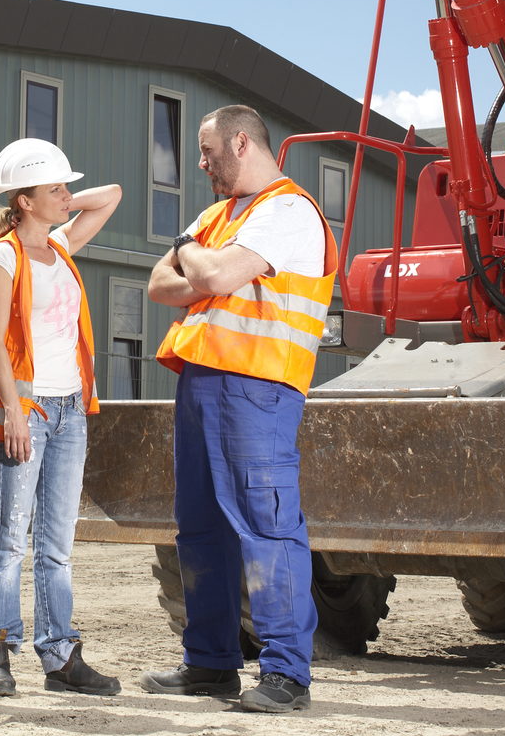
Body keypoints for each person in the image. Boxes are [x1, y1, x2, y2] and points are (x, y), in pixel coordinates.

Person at [137, 104, 339, 714]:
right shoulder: (219, 216)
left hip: (258, 388)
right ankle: (211, 663)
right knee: (200, 529)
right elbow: (157, 284)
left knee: (266, 524)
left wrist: (190, 252)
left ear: (241, 142)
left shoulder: (288, 210)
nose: (200, 164)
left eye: (207, 152)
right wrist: (199, 261)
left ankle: (286, 674)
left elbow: (214, 272)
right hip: (202, 382)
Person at [0, 139, 124, 697]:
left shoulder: (60, 246)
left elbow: (112, 197)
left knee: (58, 543)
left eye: (65, 187)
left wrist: (61, 198)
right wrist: (13, 413)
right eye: (55, 189)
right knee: (8, 540)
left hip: (71, 409)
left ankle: (60, 657)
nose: (68, 196)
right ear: (23, 201)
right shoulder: (3, 257)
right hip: (27, 409)